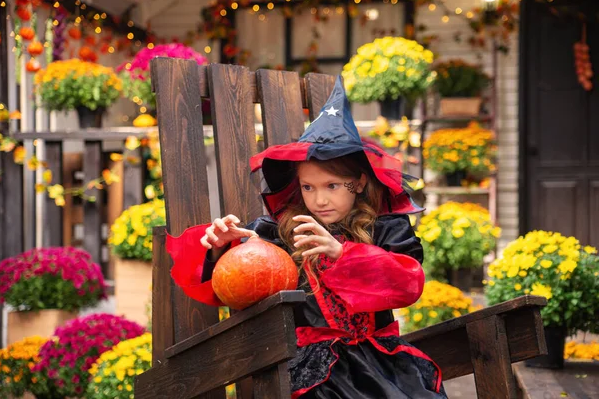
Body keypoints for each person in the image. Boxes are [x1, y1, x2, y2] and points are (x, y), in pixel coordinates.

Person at [166, 76, 446, 398]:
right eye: (308, 187)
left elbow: (407, 285)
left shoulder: (385, 229)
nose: (319, 200)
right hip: (304, 365)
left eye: (332, 186)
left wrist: (343, 254)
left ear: (358, 183)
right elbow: (240, 281)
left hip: (378, 360)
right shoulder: (282, 232)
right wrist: (222, 248)